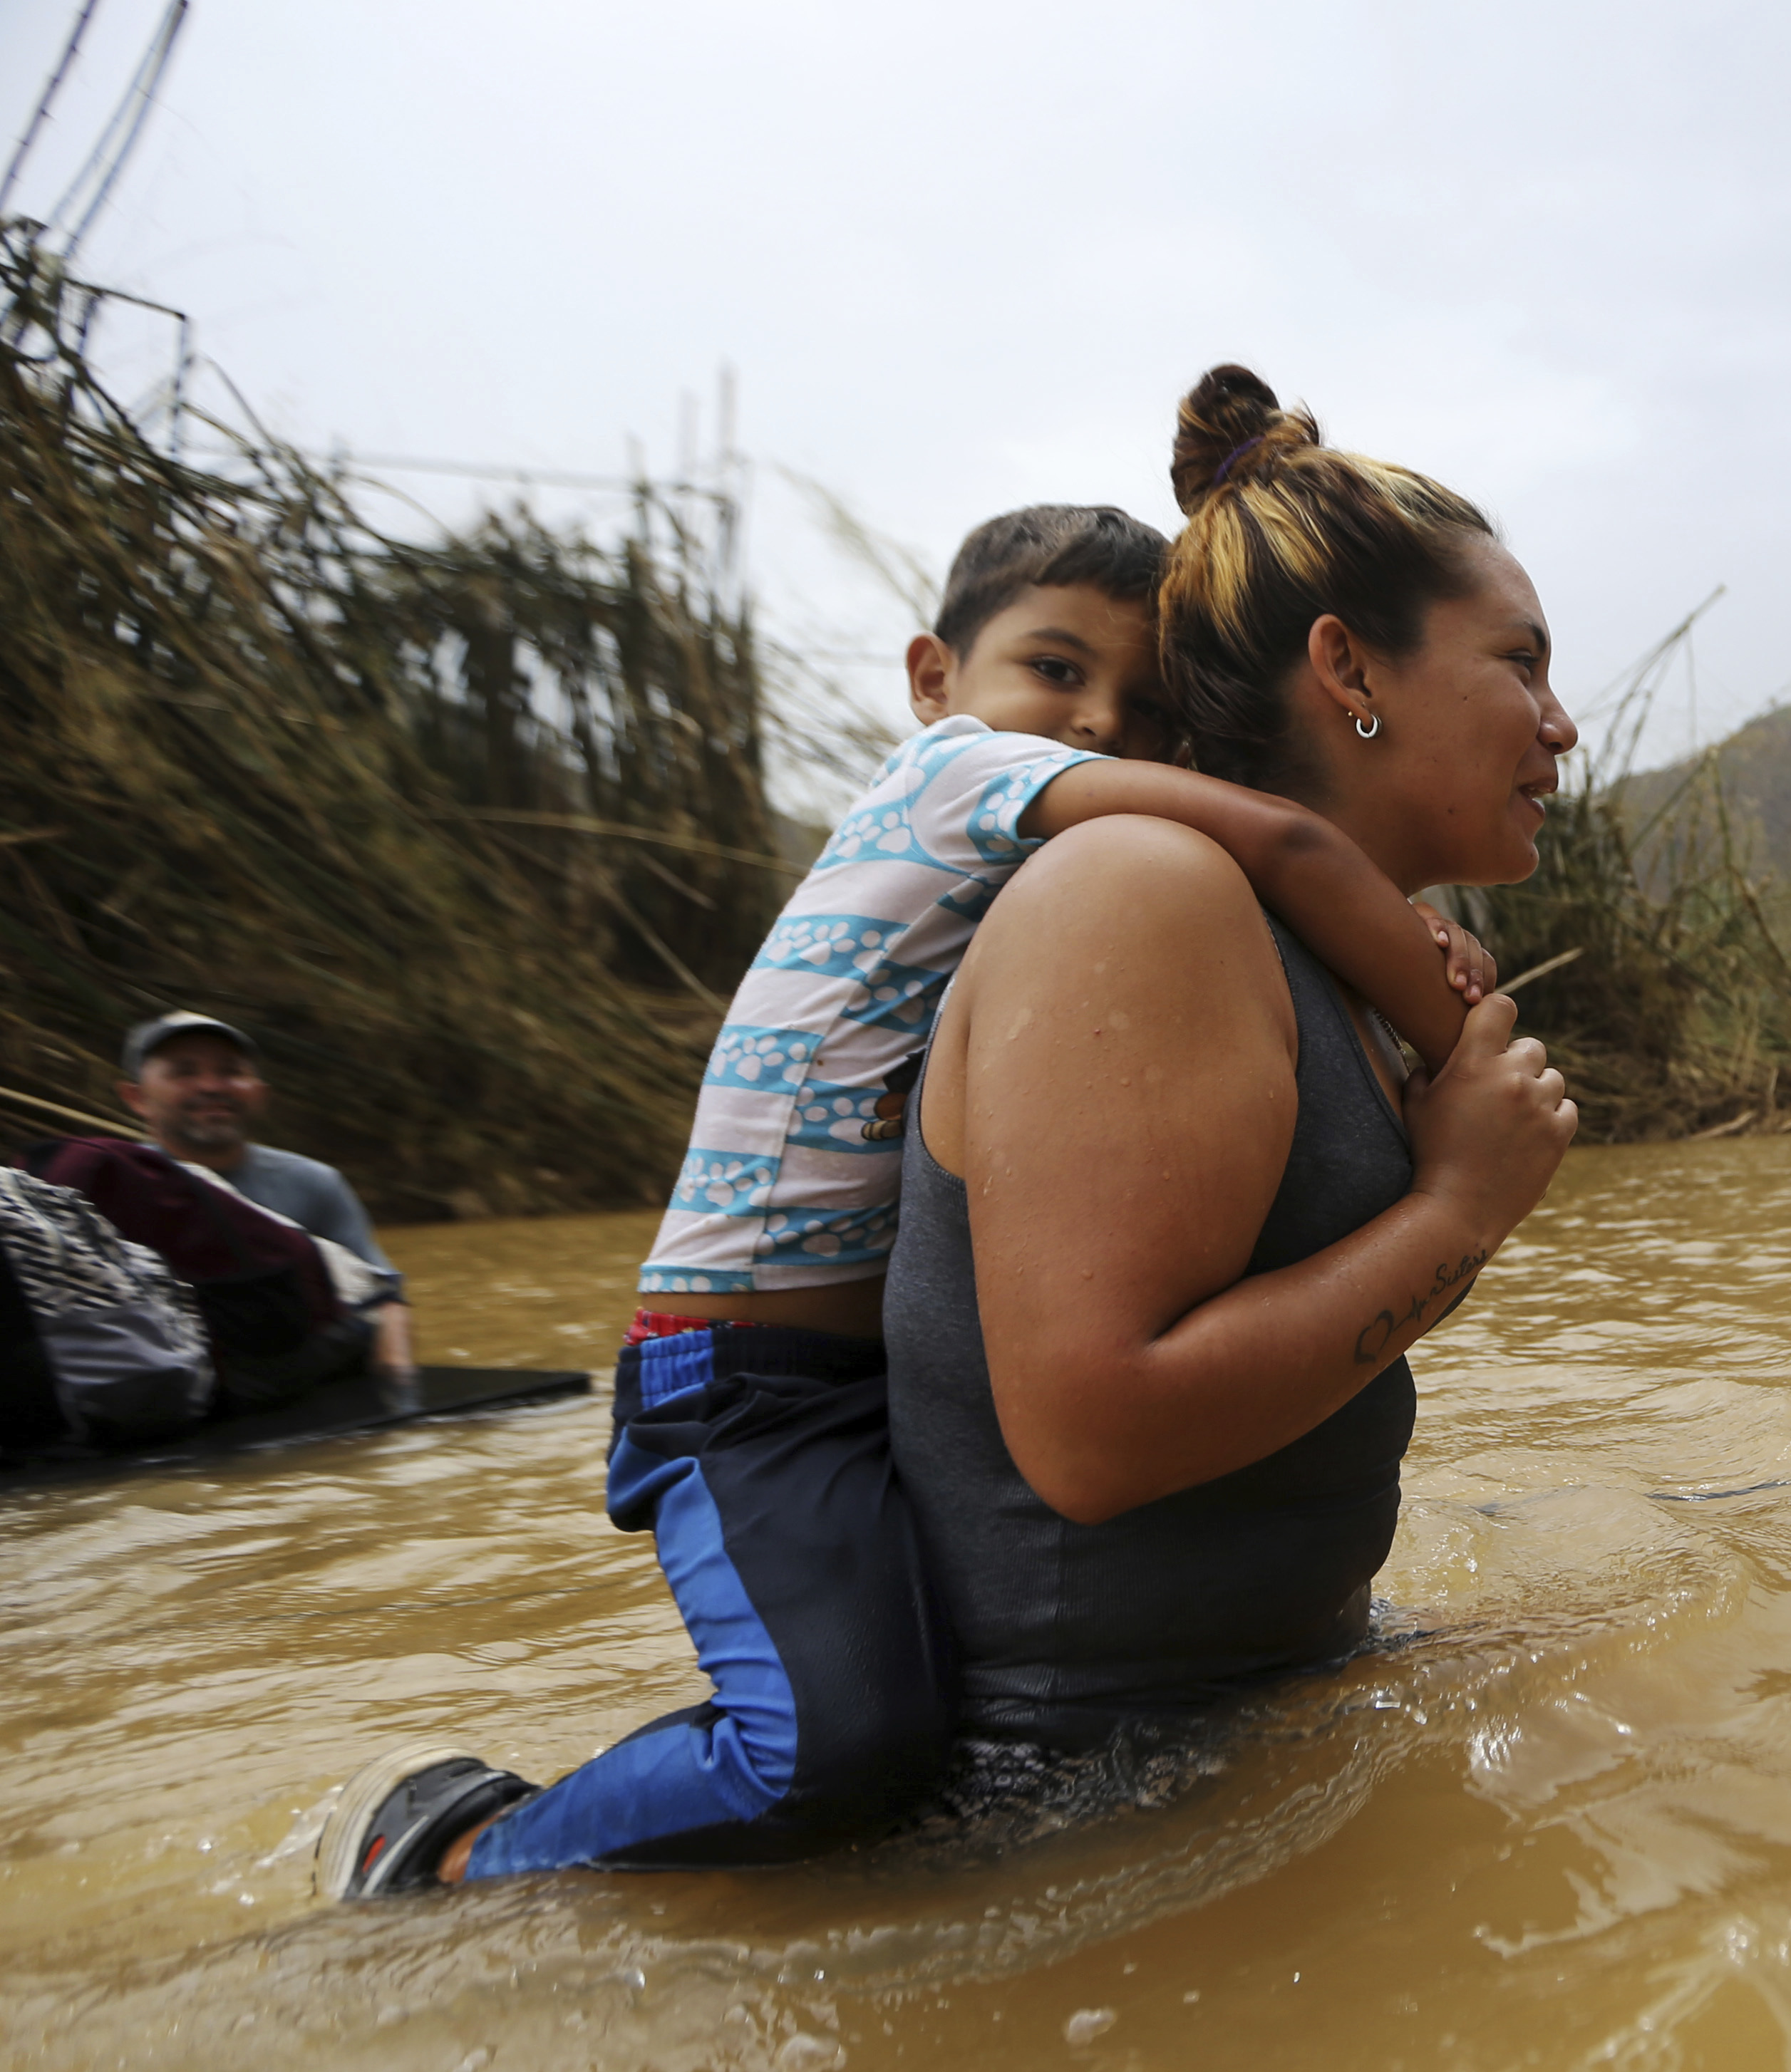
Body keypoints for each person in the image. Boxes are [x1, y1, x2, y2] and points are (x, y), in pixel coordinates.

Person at [314, 499, 1512, 1900]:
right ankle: (460, 1849)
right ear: (935, 682)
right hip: (737, 1377)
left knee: (902, 1702)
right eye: (1055, 672)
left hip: (850, 1359)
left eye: (1139, 707)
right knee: (831, 1745)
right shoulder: (955, 783)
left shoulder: (1035, 891)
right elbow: (1292, 849)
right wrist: (1458, 1028)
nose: (1093, 725)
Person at [884, 366, 1577, 1748]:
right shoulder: (1145, 894)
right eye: (1521, 663)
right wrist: (1459, 1211)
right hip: (1067, 1818)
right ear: (1349, 669)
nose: (1560, 725)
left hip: (1268, 1723)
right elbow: (1096, 1438)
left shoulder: (1342, 963)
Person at [113, 1012, 413, 1397]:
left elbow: (384, 1298)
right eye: (184, 1072)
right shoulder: (112, 1185)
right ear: (136, 1097)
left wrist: (399, 1392)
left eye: (231, 1071)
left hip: (300, 1378)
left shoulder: (313, 1182)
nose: (211, 1086)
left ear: (260, 1092)